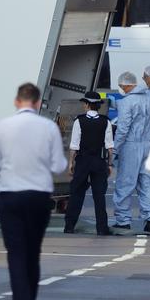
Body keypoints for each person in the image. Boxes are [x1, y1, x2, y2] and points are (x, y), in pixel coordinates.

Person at [0, 83, 67, 300]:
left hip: (10, 194)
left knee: (16, 253)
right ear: (39, 102)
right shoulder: (49, 127)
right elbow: (59, 166)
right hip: (39, 195)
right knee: (33, 252)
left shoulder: (3, 126)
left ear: (16, 101)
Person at [64, 91, 113, 235]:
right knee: (99, 195)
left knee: (76, 193)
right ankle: (102, 228)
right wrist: (109, 164)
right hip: (99, 161)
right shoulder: (106, 121)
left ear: (86, 104)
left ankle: (69, 226)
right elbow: (110, 147)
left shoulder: (79, 121)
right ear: (98, 105)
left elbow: (74, 146)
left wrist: (71, 163)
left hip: (83, 161)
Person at [112, 71, 150, 232]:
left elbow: (122, 129)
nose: (121, 88)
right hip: (147, 146)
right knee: (146, 184)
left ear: (128, 85)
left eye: (121, 86)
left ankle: (123, 220)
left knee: (125, 183)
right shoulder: (148, 98)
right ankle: (149, 219)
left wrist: (114, 149)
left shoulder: (128, 101)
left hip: (131, 146)